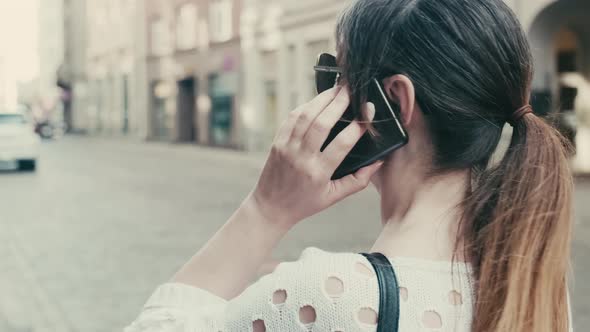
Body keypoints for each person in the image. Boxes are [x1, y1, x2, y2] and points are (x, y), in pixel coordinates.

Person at [126, 0, 574, 331]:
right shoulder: (535, 287)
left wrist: (266, 211)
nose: (326, 98)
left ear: (394, 101)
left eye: (337, 78)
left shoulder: (328, 295)